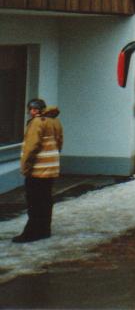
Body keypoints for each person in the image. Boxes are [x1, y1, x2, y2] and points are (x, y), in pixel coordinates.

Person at [13, 98, 63, 243]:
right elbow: (59, 142)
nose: (32, 112)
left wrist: (25, 167)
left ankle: (32, 233)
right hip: (50, 167)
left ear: (41, 110)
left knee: (34, 201)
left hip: (37, 169)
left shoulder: (37, 122)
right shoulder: (54, 121)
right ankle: (44, 230)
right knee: (46, 200)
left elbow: (31, 147)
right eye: (30, 109)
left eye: (35, 109)